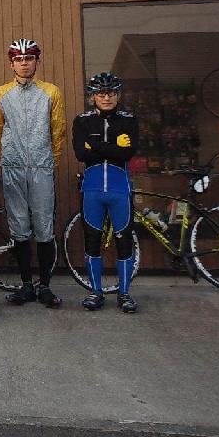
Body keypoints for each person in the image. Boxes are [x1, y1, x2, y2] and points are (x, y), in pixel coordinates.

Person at [0, 38, 66, 308]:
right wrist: (7, 160)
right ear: (12, 64)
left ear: (37, 61)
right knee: (19, 227)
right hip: (13, 168)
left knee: (44, 227)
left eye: (29, 58)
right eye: (19, 59)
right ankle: (25, 285)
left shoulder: (51, 92)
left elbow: (58, 129)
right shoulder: (0, 94)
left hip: (42, 167)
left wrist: (50, 162)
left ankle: (44, 286)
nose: (24, 64)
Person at [73, 72, 139, 312]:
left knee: (124, 242)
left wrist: (95, 145)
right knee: (92, 241)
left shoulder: (129, 120)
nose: (106, 97)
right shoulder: (82, 121)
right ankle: (95, 292)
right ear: (93, 97)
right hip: (92, 190)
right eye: (101, 93)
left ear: (118, 95)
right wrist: (113, 147)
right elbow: (81, 154)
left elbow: (128, 153)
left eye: (111, 93)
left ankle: (124, 294)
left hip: (120, 190)